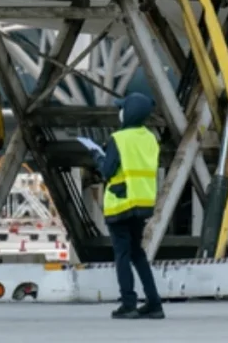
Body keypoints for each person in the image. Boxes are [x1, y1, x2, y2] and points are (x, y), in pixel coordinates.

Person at [97, 93, 165, 320]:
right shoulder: (150, 138)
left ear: (128, 113)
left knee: (123, 255)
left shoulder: (119, 139)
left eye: (122, 108)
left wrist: (97, 156)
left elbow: (107, 171)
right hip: (142, 203)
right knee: (138, 254)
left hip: (120, 203)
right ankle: (154, 303)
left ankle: (129, 304)